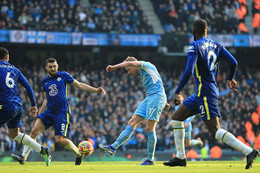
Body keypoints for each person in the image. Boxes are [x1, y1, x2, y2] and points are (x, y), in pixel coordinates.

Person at [163, 19, 259, 169]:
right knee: (176, 118)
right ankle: (181, 158)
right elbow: (233, 62)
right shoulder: (217, 45)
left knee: (215, 130)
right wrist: (230, 78)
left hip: (206, 93)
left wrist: (177, 91)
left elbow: (189, 71)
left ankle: (249, 151)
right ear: (206, 31)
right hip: (201, 93)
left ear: (194, 32)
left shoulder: (194, 46)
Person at [12, 57, 106, 165]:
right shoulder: (45, 81)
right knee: (34, 131)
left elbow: (79, 84)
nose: (53, 69)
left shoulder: (63, 75)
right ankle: (23, 157)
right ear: (46, 68)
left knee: (60, 140)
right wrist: (40, 114)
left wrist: (96, 90)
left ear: (57, 66)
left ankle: (78, 154)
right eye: (50, 67)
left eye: (54, 66)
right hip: (49, 112)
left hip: (61, 112)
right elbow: (46, 99)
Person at [99, 56, 170, 166]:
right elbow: (158, 82)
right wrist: (164, 102)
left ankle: (150, 159)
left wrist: (114, 67)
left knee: (149, 128)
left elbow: (158, 87)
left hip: (156, 97)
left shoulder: (145, 65)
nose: (128, 73)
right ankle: (113, 147)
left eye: (128, 69)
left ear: (132, 65)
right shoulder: (143, 72)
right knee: (132, 122)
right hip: (151, 97)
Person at [0, 47, 51, 166]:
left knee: (15, 135)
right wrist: (33, 104)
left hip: (5, 105)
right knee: (15, 135)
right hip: (18, 106)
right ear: (7, 58)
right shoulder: (15, 69)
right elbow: (28, 86)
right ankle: (42, 149)